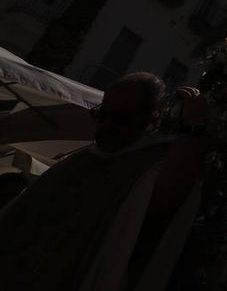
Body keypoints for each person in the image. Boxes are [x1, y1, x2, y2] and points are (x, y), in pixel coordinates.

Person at [0, 71, 208, 290]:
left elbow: (166, 197)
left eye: (121, 118)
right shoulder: (78, 161)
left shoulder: (150, 165)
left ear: (152, 118)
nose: (107, 125)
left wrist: (193, 129)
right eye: (102, 115)